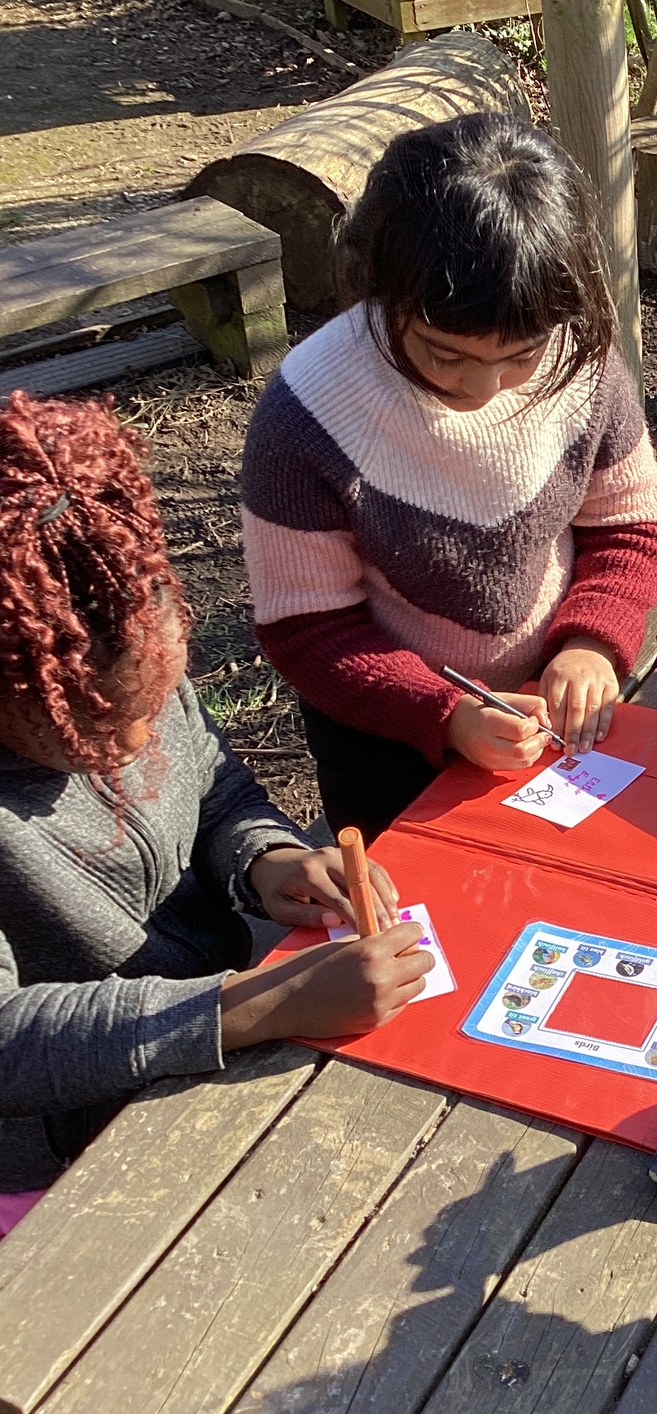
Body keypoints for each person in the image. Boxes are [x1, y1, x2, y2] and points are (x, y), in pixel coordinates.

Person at [0, 393, 432, 1239]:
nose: (136, 744)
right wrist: (257, 1004)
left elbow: (211, 783)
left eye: (155, 701)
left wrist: (266, 858)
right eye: (93, 727)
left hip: (200, 1053)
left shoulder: (116, 625)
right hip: (62, 1163)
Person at [240, 113, 657, 841]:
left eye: (521, 357)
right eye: (446, 356)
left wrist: (592, 642)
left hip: (554, 703)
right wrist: (444, 714)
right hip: (385, 740)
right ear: (383, 288)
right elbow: (307, 629)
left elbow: (629, 525)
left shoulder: (576, 354)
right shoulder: (307, 414)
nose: (484, 388)